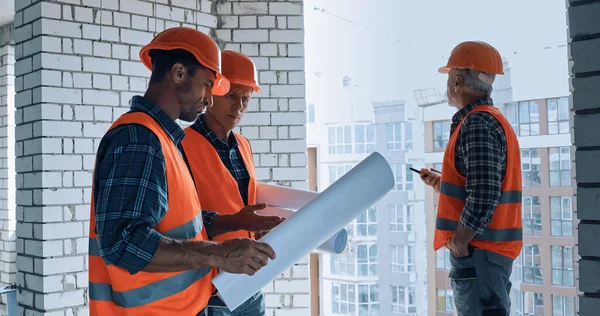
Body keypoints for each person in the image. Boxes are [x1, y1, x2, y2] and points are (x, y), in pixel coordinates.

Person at [88, 27, 283, 316]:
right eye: (207, 85)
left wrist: (232, 222)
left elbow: (176, 223)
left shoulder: (162, 138)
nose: (209, 100)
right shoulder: (138, 139)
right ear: (179, 73)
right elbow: (124, 243)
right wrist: (219, 253)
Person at [420, 41, 523, 316]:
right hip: (488, 250)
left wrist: (460, 241)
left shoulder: (477, 123)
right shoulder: (492, 120)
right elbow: (483, 184)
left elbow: (485, 193)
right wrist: (443, 184)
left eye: (448, 78)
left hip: (480, 250)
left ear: (457, 81)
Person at [180, 50, 273, 316]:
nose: (239, 106)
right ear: (212, 93)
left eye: (246, 98)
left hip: (248, 282)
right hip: (206, 288)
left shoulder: (243, 146)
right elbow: (182, 217)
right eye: (232, 95)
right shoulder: (181, 144)